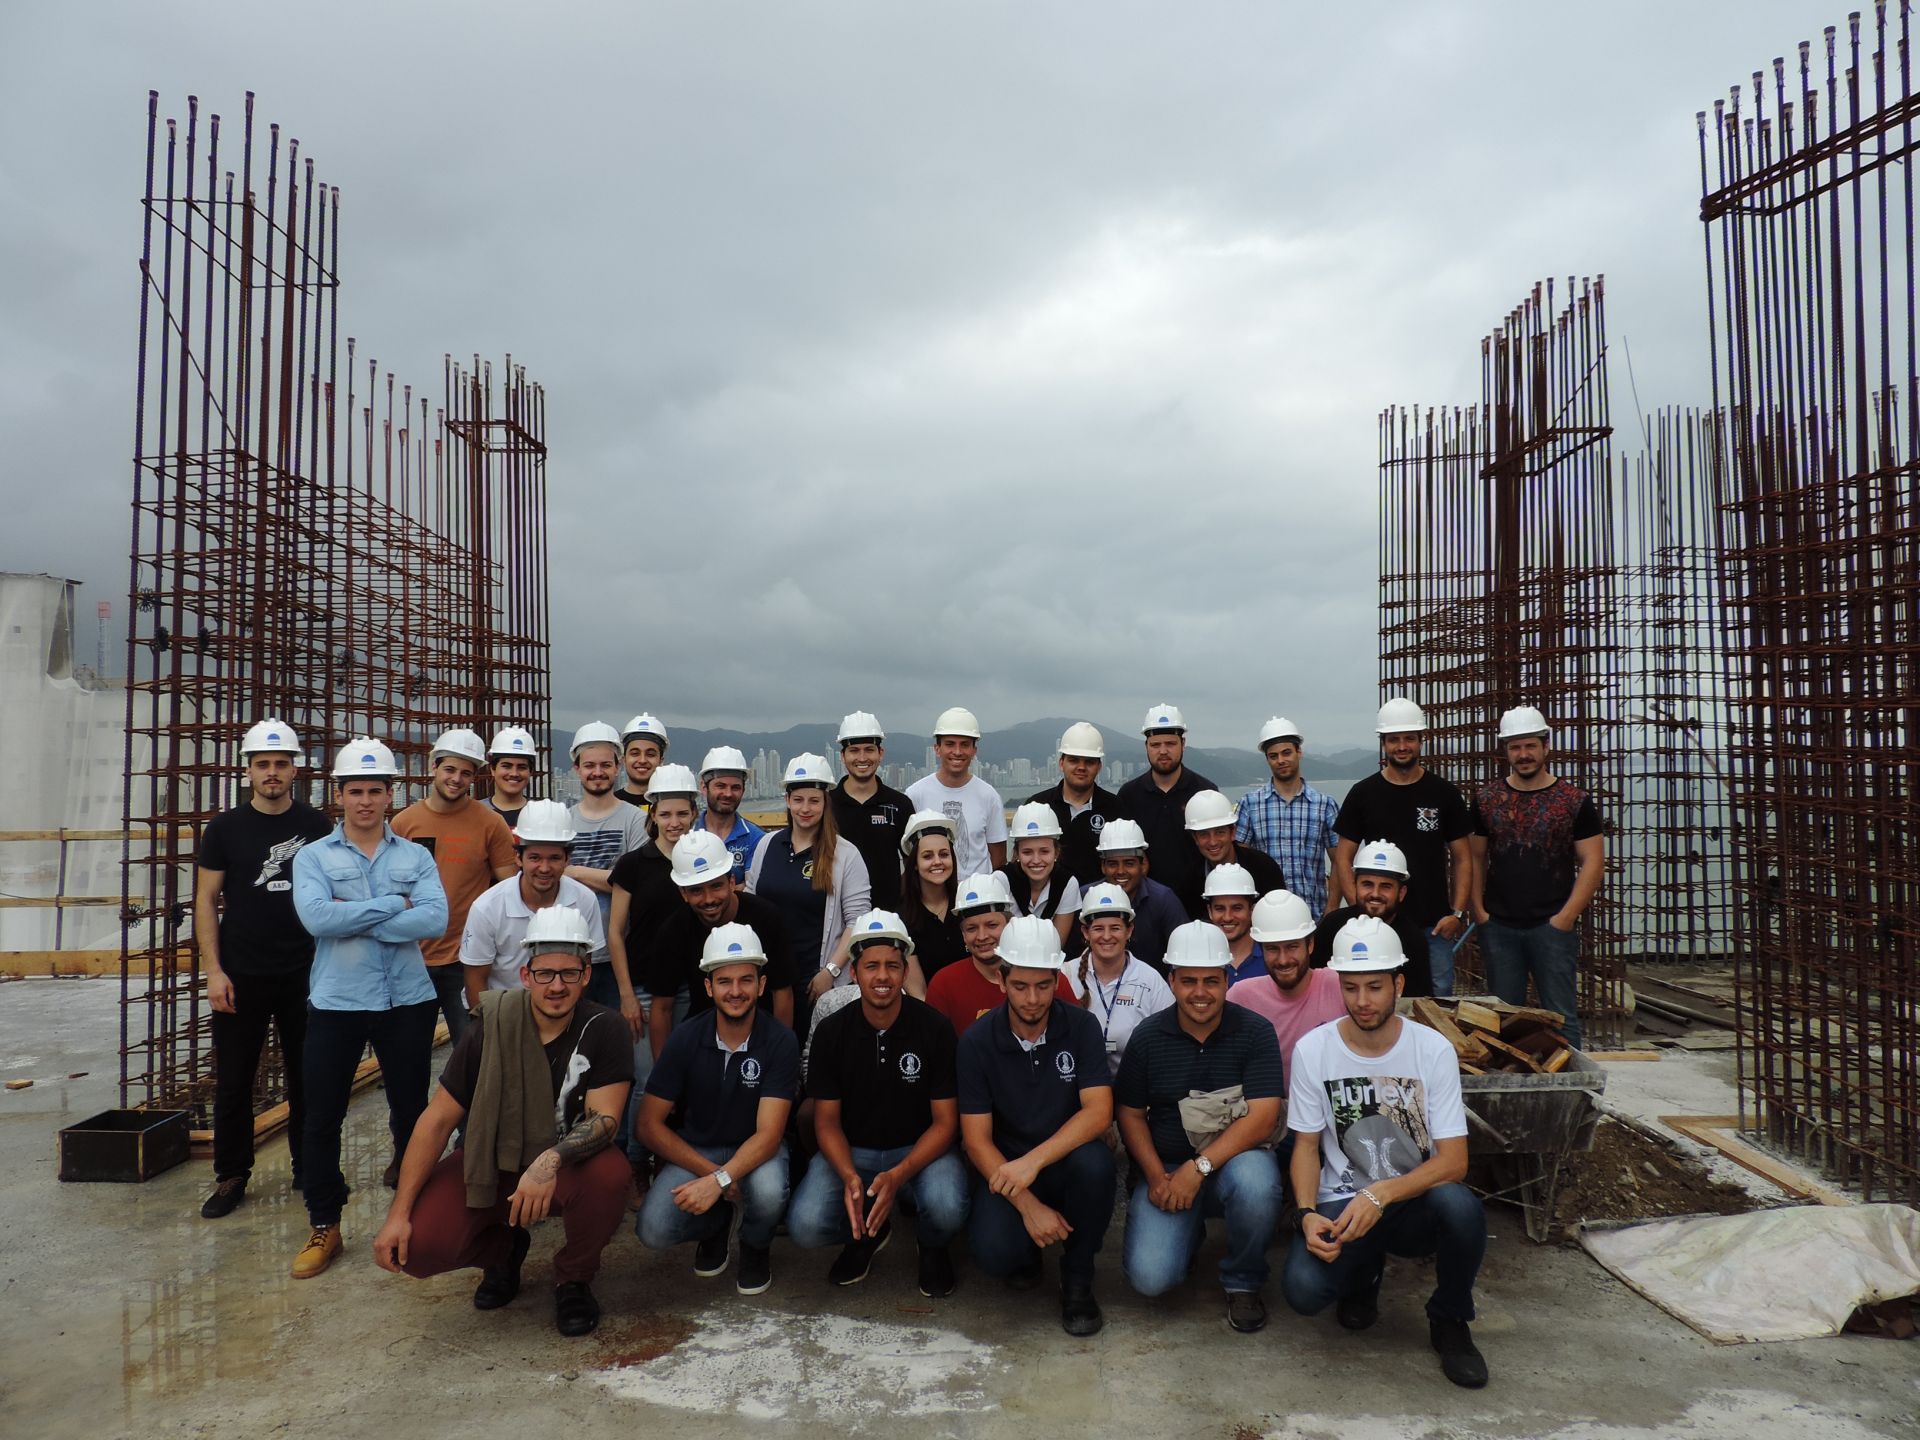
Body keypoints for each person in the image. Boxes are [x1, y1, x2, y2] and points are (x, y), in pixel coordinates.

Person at [371, 908, 632, 1337]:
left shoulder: (605, 1028)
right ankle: (504, 1251)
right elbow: (437, 1121)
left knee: (609, 1175)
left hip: (563, 1166)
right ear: (525, 975)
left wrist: (548, 1161)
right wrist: (397, 1213)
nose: (557, 986)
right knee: (415, 1249)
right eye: (545, 974)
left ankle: (573, 1278)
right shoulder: (491, 1028)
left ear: (587, 975)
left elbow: (605, 1120)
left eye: (570, 973)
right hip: (493, 1160)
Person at [1281, 916, 1488, 1389]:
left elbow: (1454, 1162)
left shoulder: (1432, 1050)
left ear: (1398, 983)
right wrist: (1308, 1212)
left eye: (1374, 987)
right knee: (1303, 1292)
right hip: (1342, 1203)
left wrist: (1381, 1196)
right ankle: (1363, 1276)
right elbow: (1307, 1147)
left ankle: (1450, 1320)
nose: (1362, 1001)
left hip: (1412, 1201)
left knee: (1461, 1208)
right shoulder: (1315, 1050)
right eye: (1350, 988)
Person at [288, 737, 449, 1279]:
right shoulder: (313, 857)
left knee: (412, 1113)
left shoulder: (415, 855)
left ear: (389, 795)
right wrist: (391, 905)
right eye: (354, 791)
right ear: (340, 795)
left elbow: (434, 920)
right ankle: (324, 1223)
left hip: (407, 1000)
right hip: (338, 1001)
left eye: (374, 791)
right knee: (322, 1116)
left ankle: (414, 1218)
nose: (364, 801)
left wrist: (351, 911)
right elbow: (316, 919)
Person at [1116, 920, 1285, 1334]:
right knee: (1151, 1279)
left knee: (1259, 1185)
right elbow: (1130, 1113)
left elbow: (1264, 1116)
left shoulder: (1255, 1032)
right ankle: (1185, 1234)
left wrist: (1199, 1169)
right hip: (1169, 1166)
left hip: (1233, 1164)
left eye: (1212, 980)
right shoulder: (1148, 1037)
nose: (1200, 992)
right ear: (1170, 980)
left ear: (1228, 979)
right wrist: (1157, 1177)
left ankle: (1243, 1281)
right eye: (1188, 980)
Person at [194, 719, 334, 1219]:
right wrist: (214, 970)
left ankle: (307, 1166)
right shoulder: (225, 829)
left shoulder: (317, 827)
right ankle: (231, 1175)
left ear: (295, 768)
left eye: (280, 763)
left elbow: (335, 897)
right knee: (234, 1081)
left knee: (308, 1078)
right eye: (263, 764)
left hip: (304, 972)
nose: (272, 772)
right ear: (248, 769)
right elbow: (206, 900)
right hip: (242, 974)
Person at [788, 911, 968, 1297]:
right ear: (854, 972)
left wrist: (899, 1173)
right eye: (871, 966)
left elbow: (945, 1124)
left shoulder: (934, 1027)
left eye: (892, 966)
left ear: (905, 972)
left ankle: (932, 1244)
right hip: (855, 1151)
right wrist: (850, 1177)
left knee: (949, 1207)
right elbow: (826, 1123)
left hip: (921, 1152)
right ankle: (868, 1232)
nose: (882, 977)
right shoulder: (832, 1031)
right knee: (806, 1225)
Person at [957, 916, 1116, 1336]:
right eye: (1020, 986)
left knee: (1097, 1165)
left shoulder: (1081, 1026)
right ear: (1001, 980)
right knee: (994, 1255)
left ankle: (1078, 1274)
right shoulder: (976, 1041)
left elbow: (1099, 1112)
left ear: (1056, 980)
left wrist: (1034, 1162)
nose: (1032, 999)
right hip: (1006, 1168)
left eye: (1043, 985)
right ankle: (1027, 1248)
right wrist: (1029, 1206)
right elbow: (976, 1141)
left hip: (1063, 1160)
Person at [635, 922, 798, 1297]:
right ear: (708, 987)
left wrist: (720, 1181)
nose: (736, 991)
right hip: (701, 1150)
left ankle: (756, 1245)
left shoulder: (780, 1041)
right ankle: (717, 1225)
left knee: (770, 1191)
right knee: (653, 1229)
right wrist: (715, 1178)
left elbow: (770, 1135)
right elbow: (648, 1125)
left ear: (761, 985)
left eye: (746, 980)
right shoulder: (686, 1037)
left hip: (758, 1151)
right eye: (725, 981)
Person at [1469, 706, 1605, 1050]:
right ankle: (1512, 1092)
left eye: (1530, 746)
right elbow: (1473, 857)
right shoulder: (1486, 800)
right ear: (1505, 751)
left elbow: (1592, 862)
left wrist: (1565, 918)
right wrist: (1479, 911)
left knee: (1561, 1018)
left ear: (1546, 746)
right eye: (1515, 747)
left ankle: (1570, 1093)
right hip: (1499, 925)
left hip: (1552, 927)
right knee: (1502, 1017)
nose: (1523, 754)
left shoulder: (1574, 802)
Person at [1333, 698, 1473, 996]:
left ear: (1421, 741)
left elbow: (1463, 857)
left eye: (1409, 738)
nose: (1402, 746)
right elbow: (1343, 858)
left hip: (1433, 927)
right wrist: (1360, 906)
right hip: (1379, 924)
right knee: (1377, 998)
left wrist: (1457, 914)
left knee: (1437, 1003)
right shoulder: (1363, 794)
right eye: (1394, 739)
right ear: (1383, 743)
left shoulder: (1444, 794)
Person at [392, 727, 518, 1044]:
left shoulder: (489, 822)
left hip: (466, 959)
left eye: (466, 772)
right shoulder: (404, 823)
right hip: (412, 957)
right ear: (434, 766)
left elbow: (511, 886)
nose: (457, 779)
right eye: (450, 769)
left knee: (473, 1050)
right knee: (409, 1054)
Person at [745, 754, 872, 1030]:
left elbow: (857, 922)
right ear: (788, 800)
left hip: (814, 982)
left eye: (814, 800)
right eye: (798, 800)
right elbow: (750, 904)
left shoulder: (845, 855)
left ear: (826, 803)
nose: (806, 808)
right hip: (764, 976)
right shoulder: (767, 845)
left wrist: (831, 972)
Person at [642, 830, 795, 1055]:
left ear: (732, 881)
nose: (709, 899)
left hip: (762, 1037)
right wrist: (664, 1076)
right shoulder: (673, 930)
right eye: (696, 890)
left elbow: (783, 994)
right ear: (683, 893)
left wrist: (779, 1058)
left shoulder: (767, 918)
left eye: (716, 886)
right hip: (703, 1042)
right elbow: (662, 1006)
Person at [458, 800, 606, 1003]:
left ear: (567, 859)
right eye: (535, 858)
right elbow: (476, 979)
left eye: (554, 858)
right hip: (503, 1010)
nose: (544, 868)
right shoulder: (488, 907)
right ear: (518, 858)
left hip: (561, 1010)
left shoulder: (584, 900)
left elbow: (581, 971)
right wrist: (488, 1027)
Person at [607, 763, 701, 1044]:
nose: (675, 823)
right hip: (643, 985)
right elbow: (615, 931)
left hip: (693, 983)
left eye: (682, 814)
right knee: (646, 1080)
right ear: (654, 815)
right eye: (666, 814)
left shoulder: (703, 862)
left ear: (694, 813)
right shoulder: (632, 865)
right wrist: (626, 995)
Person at [563, 721, 650, 1010]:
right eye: (589, 765)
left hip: (620, 958)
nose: (597, 772)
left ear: (617, 767)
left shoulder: (635, 820)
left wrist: (572, 871)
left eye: (605, 765)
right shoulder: (563, 822)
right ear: (577, 768)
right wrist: (612, 878)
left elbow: (637, 882)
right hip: (571, 954)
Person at [1227, 890, 1345, 1098]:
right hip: (1266, 1117)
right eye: (1273, 949)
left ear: (1310, 945)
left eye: (1292, 947)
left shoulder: (1339, 985)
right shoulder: (1240, 996)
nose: (1283, 960)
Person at [925, 872, 1077, 1033]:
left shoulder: (1044, 976)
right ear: (963, 934)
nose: (982, 936)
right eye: (971, 928)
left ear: (1009, 924)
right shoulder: (944, 985)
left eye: (991, 925)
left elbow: (1077, 1033)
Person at [1116, 704, 1216, 917]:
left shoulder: (1205, 792)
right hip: (1144, 906)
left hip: (1198, 903)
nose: (1163, 751)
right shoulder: (1129, 795)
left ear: (1183, 744)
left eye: (1170, 744)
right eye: (1155, 744)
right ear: (1146, 746)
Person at [1235, 716, 1341, 917]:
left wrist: (1332, 908)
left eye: (1286, 753)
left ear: (1299, 752)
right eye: (1273, 756)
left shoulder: (1324, 805)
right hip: (1265, 915)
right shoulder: (1249, 805)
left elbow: (1340, 861)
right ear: (1267, 759)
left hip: (1313, 915)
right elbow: (1240, 862)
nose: (1281, 760)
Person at [1070, 882, 1174, 1078]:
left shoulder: (1150, 980)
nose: (1107, 936)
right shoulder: (1066, 974)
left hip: (1136, 1093)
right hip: (1076, 1091)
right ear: (1085, 932)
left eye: (1115, 928)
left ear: (1129, 930)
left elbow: (1169, 1043)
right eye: (1098, 928)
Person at [1313, 840, 1434, 997]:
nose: (1375, 894)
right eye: (1367, 884)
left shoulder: (1413, 940)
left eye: (1385, 886)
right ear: (1355, 885)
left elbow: (1415, 1001)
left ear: (1401, 893)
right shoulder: (1332, 927)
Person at [904, 706, 1007, 879]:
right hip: (931, 896)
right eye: (950, 744)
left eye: (965, 745)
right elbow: (909, 854)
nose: (957, 752)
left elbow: (999, 858)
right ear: (937, 748)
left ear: (974, 750)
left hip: (977, 898)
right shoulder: (915, 794)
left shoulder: (988, 796)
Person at [830, 711, 915, 910]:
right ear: (843, 756)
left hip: (889, 915)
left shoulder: (900, 804)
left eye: (869, 749)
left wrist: (898, 898)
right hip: (836, 914)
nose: (862, 758)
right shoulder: (827, 805)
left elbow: (913, 863)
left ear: (880, 753)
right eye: (854, 750)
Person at [1027, 722, 1122, 886]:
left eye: (1089, 762)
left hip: (1100, 904)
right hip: (1049, 905)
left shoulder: (1116, 809)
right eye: (1074, 760)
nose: (1081, 767)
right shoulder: (1037, 806)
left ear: (1099, 766)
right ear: (1061, 763)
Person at [1093, 818, 1189, 971]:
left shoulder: (1163, 899)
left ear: (1143, 865)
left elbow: (1185, 954)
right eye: (1112, 864)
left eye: (1129, 863)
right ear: (1103, 867)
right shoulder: (1086, 897)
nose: (1120, 871)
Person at [1182, 790, 1286, 918]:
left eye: (1220, 832)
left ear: (1233, 833)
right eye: (1204, 834)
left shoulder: (1263, 868)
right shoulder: (1188, 881)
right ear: (1195, 839)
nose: (1213, 842)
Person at [999, 801, 1082, 949]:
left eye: (1044, 851)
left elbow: (1057, 946)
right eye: (1027, 852)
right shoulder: (1001, 881)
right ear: (1017, 853)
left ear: (1056, 852)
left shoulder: (1067, 883)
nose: (1036, 860)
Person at [898, 811, 965, 984]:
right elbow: (919, 994)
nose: (937, 862)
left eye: (944, 854)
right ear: (914, 864)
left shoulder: (967, 905)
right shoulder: (902, 919)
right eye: (927, 856)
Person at [696, 745, 763, 881]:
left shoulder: (756, 839)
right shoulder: (687, 832)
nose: (728, 794)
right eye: (720, 786)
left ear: (743, 791)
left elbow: (752, 887)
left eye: (735, 787)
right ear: (704, 787)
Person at [1200, 863, 1265, 985]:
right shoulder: (1194, 958)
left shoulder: (1272, 957)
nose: (1228, 917)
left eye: (1237, 908)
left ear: (1251, 910)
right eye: (1220, 908)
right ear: (1210, 911)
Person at [484, 726, 539, 830]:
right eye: (506, 766)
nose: (514, 773)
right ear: (492, 769)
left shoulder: (541, 814)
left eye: (522, 767)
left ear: (530, 772)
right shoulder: (475, 812)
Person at [615, 712, 669, 811]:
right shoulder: (610, 804)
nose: (642, 760)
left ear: (661, 761)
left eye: (650, 754)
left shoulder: (671, 805)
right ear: (624, 759)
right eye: (635, 753)